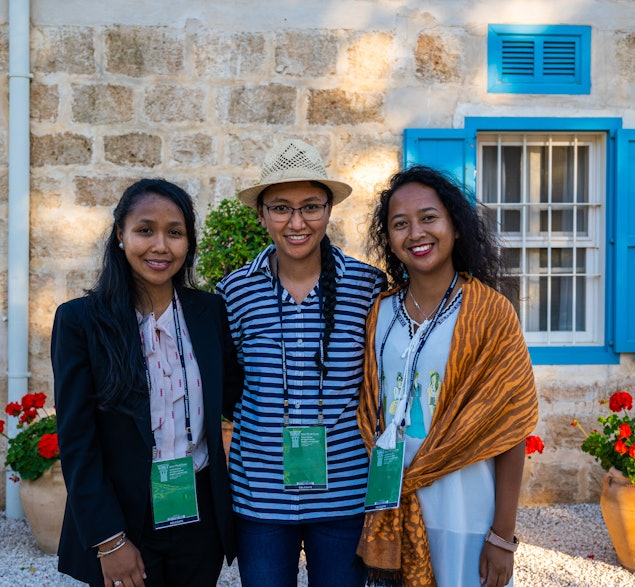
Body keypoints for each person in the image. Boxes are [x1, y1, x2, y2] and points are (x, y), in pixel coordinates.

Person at [51, 178, 243, 587]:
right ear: (120, 234)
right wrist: (109, 540)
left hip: (199, 515)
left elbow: (234, 393)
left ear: (188, 242)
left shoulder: (209, 312)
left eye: (175, 233)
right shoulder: (80, 322)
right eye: (145, 230)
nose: (160, 246)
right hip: (126, 520)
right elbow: (77, 441)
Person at [356, 166, 539, 587]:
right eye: (400, 224)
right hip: (391, 507)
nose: (415, 233)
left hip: (466, 512)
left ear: (455, 227)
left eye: (428, 217)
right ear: (390, 240)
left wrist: (503, 536)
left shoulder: (489, 313)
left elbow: (510, 430)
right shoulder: (379, 313)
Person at [216, 139, 387, 587]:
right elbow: (230, 384)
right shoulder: (234, 292)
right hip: (260, 494)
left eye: (311, 206)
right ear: (261, 214)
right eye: (280, 208)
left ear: (329, 210)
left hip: (345, 493)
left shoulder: (367, 288)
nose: (297, 222)